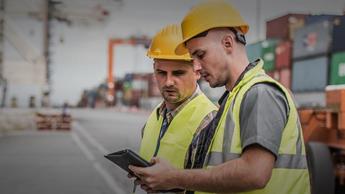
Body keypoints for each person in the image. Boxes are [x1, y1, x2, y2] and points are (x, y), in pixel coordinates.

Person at [129, 1, 311, 194]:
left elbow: (255, 173)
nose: (197, 67)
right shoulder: (232, 100)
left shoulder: (260, 92)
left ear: (227, 43)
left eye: (200, 55)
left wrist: (172, 177)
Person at [133, 24, 217, 193]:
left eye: (178, 73)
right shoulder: (155, 116)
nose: (168, 82)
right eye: (161, 73)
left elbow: (215, 185)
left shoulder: (210, 120)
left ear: (197, 71)